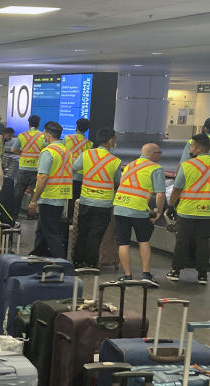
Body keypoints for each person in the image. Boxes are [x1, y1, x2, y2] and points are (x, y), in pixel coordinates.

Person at [166, 133, 210, 284]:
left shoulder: (187, 165)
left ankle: (176, 271)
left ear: (200, 148)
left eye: (192, 146)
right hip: (208, 211)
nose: (190, 149)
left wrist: (171, 205)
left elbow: (177, 188)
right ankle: (202, 274)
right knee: (203, 241)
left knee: (182, 240)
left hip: (187, 210)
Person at [111, 143, 165, 282]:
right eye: (159, 152)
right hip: (138, 209)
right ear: (154, 154)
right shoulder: (156, 168)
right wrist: (158, 211)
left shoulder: (130, 165)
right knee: (143, 241)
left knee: (123, 243)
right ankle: (146, 275)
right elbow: (160, 195)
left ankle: (127, 276)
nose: (160, 155)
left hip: (120, 206)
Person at [72, 128, 121, 269]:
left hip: (85, 199)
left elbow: (74, 168)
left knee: (82, 231)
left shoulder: (86, 154)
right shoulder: (115, 161)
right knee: (96, 233)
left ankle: (77, 261)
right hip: (103, 203)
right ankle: (91, 263)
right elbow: (118, 181)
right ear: (111, 141)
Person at [27, 121, 70, 258]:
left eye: (44, 134)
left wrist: (34, 200)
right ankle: (38, 255)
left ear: (48, 135)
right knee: (42, 229)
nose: (43, 136)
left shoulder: (48, 152)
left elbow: (43, 177)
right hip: (60, 196)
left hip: (49, 197)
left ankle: (61, 263)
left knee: (51, 233)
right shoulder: (65, 151)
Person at [14, 116, 47, 217]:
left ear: (29, 124)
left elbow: (14, 149)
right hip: (36, 169)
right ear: (39, 124)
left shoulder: (22, 136)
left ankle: (14, 214)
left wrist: (23, 154)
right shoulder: (43, 136)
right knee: (34, 194)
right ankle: (31, 214)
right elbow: (46, 151)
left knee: (18, 193)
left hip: (23, 168)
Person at [65, 118, 92, 222]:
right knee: (76, 200)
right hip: (80, 176)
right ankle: (73, 220)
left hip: (67, 174)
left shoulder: (67, 138)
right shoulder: (89, 143)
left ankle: (65, 219)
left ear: (76, 126)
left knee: (66, 199)